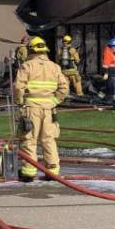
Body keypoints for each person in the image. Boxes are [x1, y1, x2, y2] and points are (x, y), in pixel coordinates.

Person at [14, 36, 69, 181]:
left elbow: (18, 87)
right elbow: (64, 88)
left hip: (31, 109)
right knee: (48, 139)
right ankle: (52, 171)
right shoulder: (55, 67)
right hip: (49, 110)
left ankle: (29, 172)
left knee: (29, 140)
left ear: (31, 50)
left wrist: (20, 103)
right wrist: (54, 101)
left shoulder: (27, 66)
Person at [98, 37, 115, 110]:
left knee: (107, 88)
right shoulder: (108, 53)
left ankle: (97, 99)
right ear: (112, 46)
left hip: (113, 74)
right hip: (111, 75)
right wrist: (106, 73)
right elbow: (105, 65)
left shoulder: (111, 53)